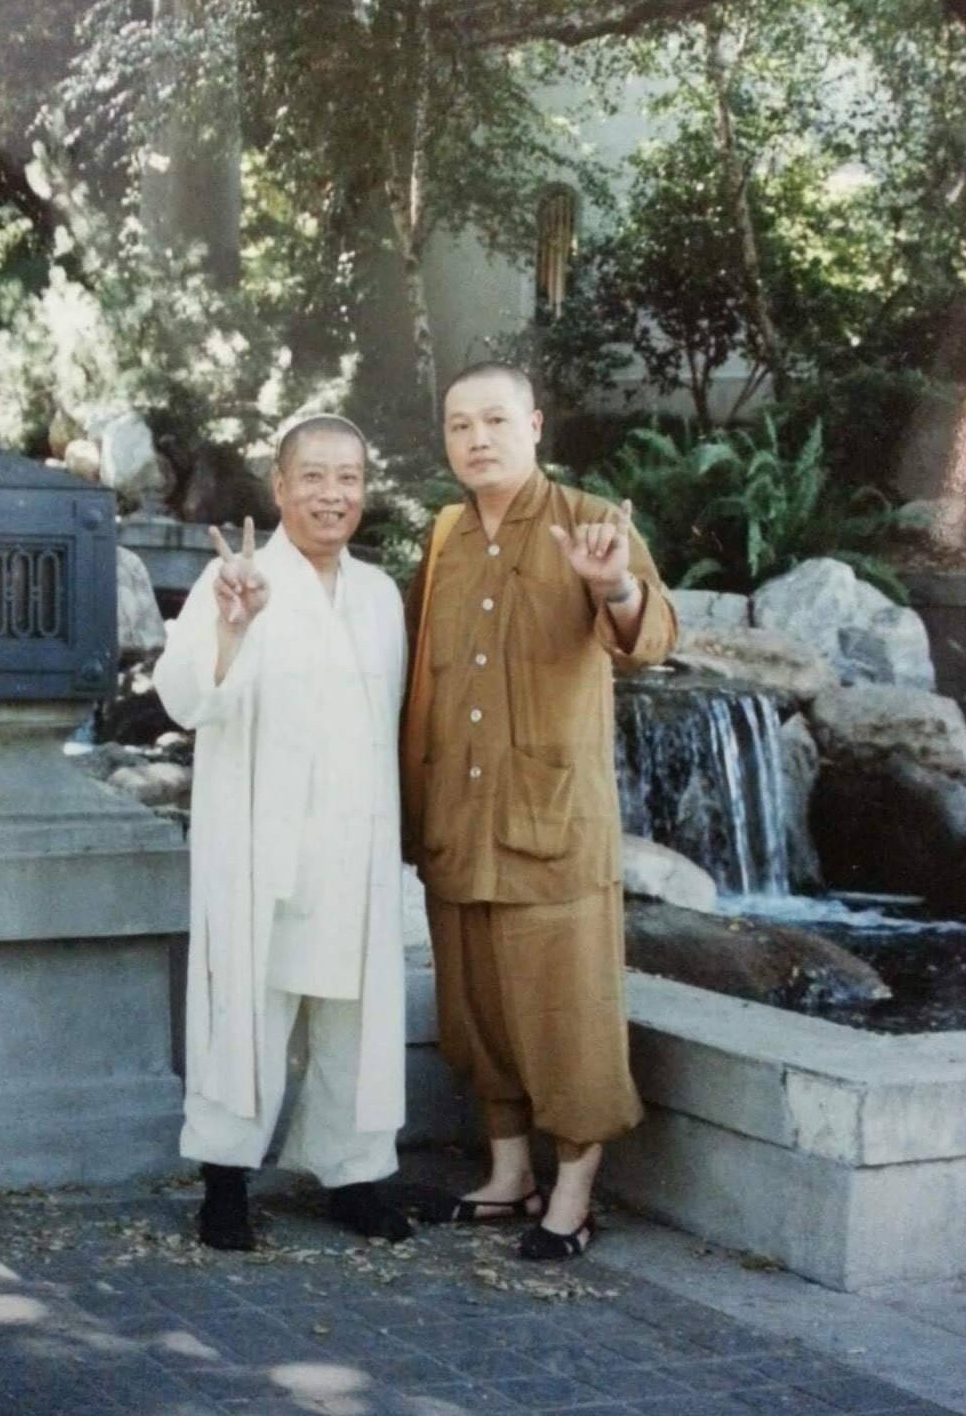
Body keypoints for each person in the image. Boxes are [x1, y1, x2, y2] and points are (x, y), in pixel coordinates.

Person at [401, 363, 677, 1260]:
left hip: (552, 825)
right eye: (458, 425)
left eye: (494, 420)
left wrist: (614, 586)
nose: (476, 439)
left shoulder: (590, 520)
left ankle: (574, 1194)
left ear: (535, 425)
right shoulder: (444, 537)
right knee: (476, 1013)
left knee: (567, 1018)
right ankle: (509, 1174)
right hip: (458, 820)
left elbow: (651, 637)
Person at [154, 414, 412, 1250]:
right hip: (261, 836)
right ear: (280, 486)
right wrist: (232, 627)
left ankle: (354, 1174)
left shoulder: (379, 596)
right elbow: (186, 699)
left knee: (355, 1012)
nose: (332, 495)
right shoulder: (235, 577)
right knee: (248, 1008)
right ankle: (225, 1181)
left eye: (349, 478)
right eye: (314, 477)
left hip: (356, 839)